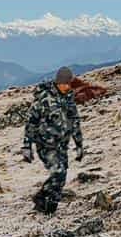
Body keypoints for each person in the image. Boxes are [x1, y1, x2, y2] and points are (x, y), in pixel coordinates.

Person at [22, 67, 84, 214]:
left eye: (69, 84)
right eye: (65, 83)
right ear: (58, 82)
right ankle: (41, 197)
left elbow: (75, 122)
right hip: (46, 145)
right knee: (58, 172)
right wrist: (26, 146)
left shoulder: (69, 99)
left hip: (62, 145)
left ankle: (48, 209)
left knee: (61, 179)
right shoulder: (44, 99)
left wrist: (79, 144)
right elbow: (31, 123)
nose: (67, 87)